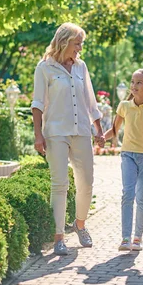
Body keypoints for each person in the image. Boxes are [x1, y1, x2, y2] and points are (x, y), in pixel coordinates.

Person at [31, 23, 105, 256]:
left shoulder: (81, 67)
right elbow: (38, 103)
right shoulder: (45, 68)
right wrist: (38, 134)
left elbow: (90, 101)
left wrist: (99, 130)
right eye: (77, 43)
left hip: (81, 130)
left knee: (87, 182)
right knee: (59, 184)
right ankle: (59, 236)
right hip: (56, 132)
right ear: (64, 42)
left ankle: (80, 224)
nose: (80, 48)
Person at [104, 69, 143, 252]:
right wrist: (101, 138)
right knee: (128, 194)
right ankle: (125, 238)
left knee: (142, 197)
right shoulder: (124, 106)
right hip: (127, 153)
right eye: (132, 82)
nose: (134, 86)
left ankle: (138, 238)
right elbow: (114, 130)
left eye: (139, 83)